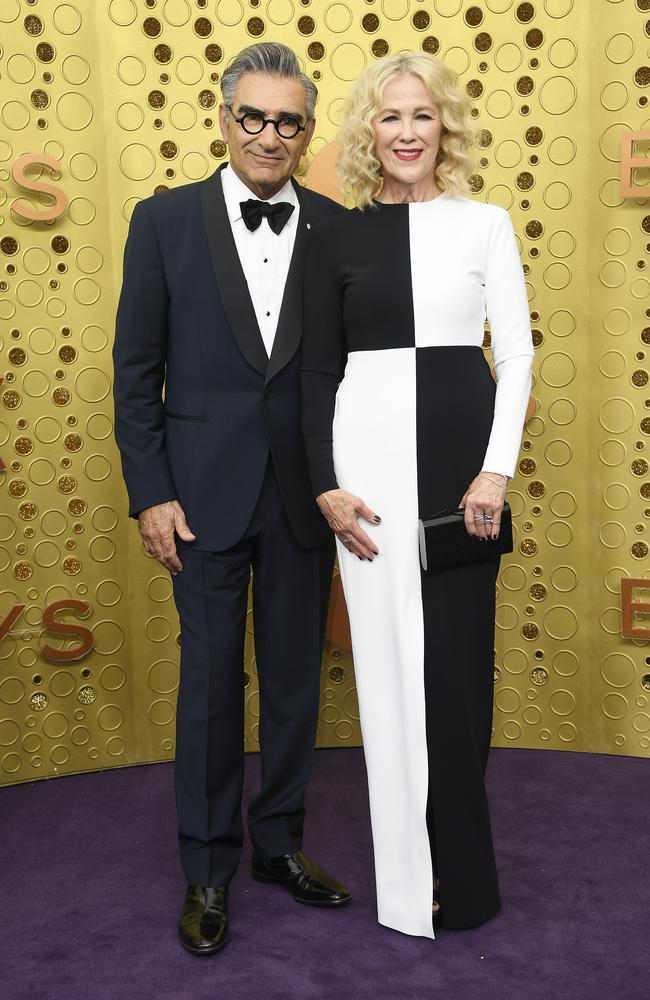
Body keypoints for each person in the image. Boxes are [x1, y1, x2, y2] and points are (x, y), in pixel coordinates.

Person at [113, 42, 350, 957]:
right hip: (199, 502)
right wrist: (152, 493)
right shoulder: (162, 220)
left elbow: (349, 371)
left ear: (305, 130)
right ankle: (207, 868)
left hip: (302, 498)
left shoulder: (335, 226)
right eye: (252, 117)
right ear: (224, 118)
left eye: (288, 121)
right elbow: (137, 375)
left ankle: (278, 847)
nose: (269, 135)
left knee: (294, 686)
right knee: (211, 690)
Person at [301, 52, 534, 939]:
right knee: (388, 681)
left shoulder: (484, 224)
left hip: (459, 467)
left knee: (458, 676)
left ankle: (464, 879)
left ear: (446, 129)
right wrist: (325, 484)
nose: (406, 132)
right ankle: (406, 882)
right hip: (363, 477)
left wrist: (494, 469)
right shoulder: (336, 235)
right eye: (391, 117)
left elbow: (512, 355)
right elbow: (317, 369)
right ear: (370, 131)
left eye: (422, 116)